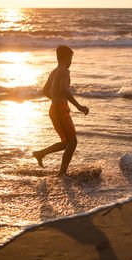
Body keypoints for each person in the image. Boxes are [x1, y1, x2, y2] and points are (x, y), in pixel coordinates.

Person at [33, 45, 89, 177]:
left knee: (67, 143)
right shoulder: (64, 71)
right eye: (70, 58)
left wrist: (57, 100)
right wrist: (79, 106)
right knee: (72, 143)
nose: (71, 62)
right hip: (59, 109)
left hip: (56, 108)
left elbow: (45, 91)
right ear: (65, 57)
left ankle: (40, 154)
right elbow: (64, 89)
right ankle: (61, 174)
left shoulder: (54, 71)